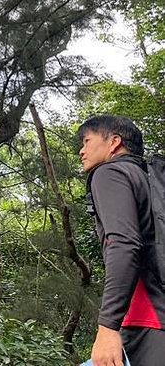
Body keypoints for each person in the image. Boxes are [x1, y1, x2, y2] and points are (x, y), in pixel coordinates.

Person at [78, 115, 165, 366]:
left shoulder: (110, 172)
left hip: (145, 318)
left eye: (87, 141)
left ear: (114, 142)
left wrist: (107, 327)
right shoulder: (150, 180)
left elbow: (124, 244)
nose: (82, 151)